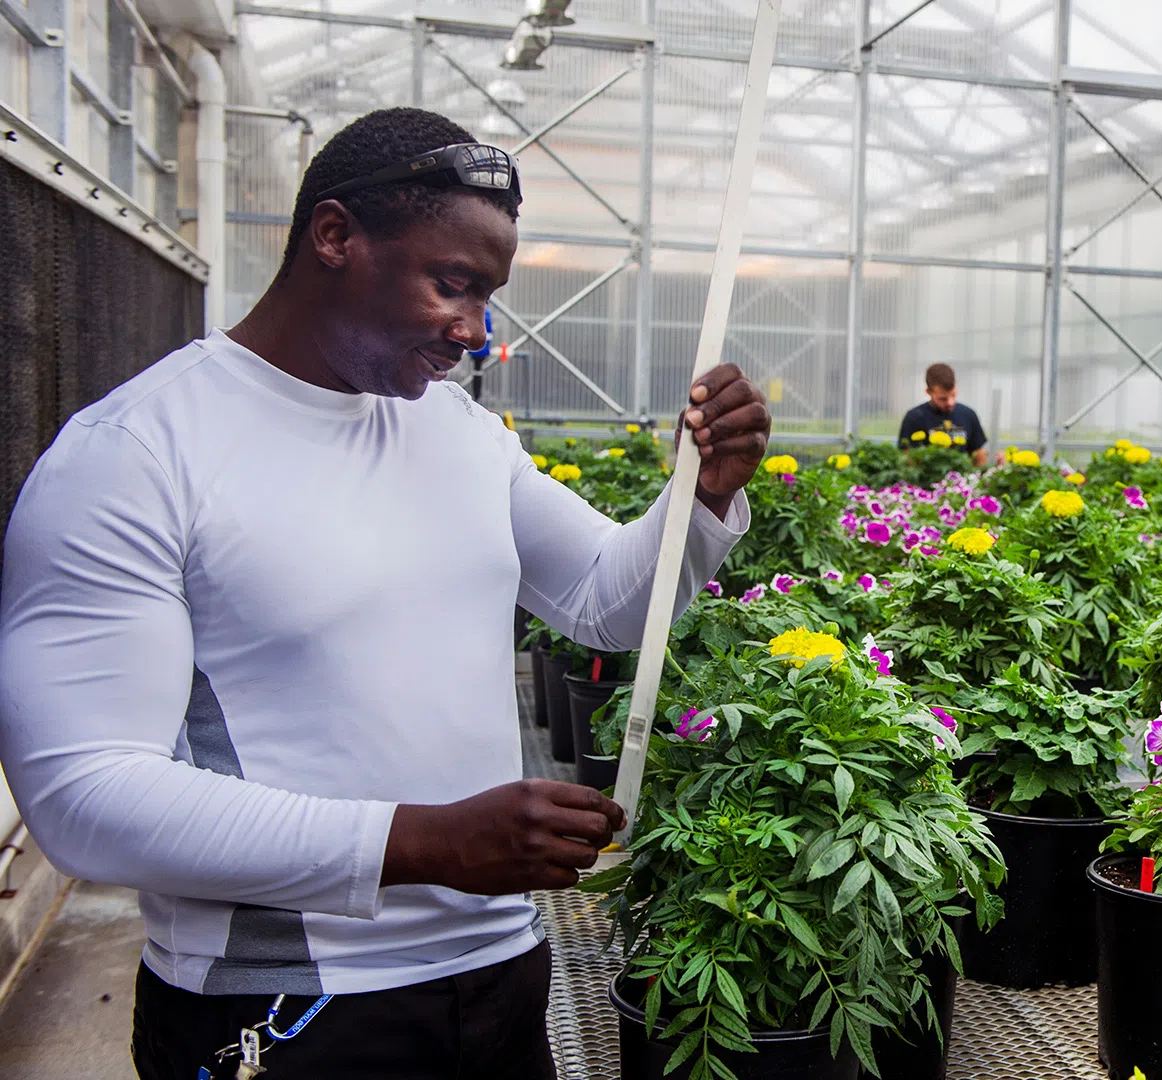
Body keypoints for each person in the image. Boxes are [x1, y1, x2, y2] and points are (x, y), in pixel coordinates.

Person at [0, 108, 770, 1078]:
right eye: (452, 285)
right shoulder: (137, 454)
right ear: (335, 237)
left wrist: (701, 494)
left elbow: (600, 600)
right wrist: (428, 842)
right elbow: (85, 798)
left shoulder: (458, 434)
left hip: (497, 973)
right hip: (286, 1006)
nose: (474, 330)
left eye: (487, 295)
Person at [897, 362, 988, 467]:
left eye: (953, 395)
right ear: (928, 392)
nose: (950, 402)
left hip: (961, 479)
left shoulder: (968, 415)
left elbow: (979, 455)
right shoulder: (915, 417)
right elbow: (906, 458)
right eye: (942, 398)